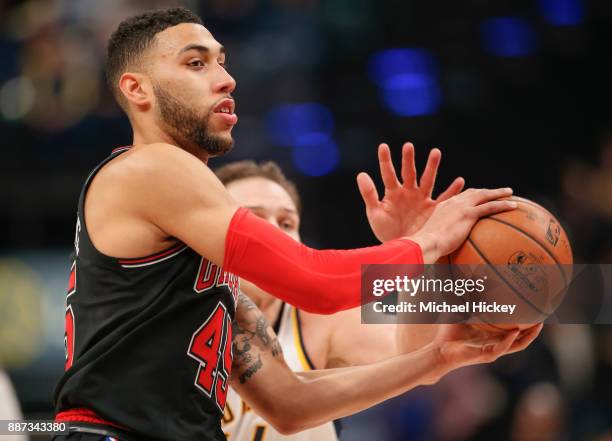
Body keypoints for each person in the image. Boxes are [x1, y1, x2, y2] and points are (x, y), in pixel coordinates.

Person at [53, 7, 526, 441]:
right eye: (196, 64)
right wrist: (426, 242)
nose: (226, 79)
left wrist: (436, 360)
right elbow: (313, 279)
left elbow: (291, 404)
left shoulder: (209, 289)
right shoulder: (153, 167)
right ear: (137, 89)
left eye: (222, 62)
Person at [215, 149, 459, 440]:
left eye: (286, 223)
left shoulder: (321, 318)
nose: (273, 234)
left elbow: (419, 356)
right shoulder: (174, 308)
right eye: (253, 220)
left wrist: (419, 253)